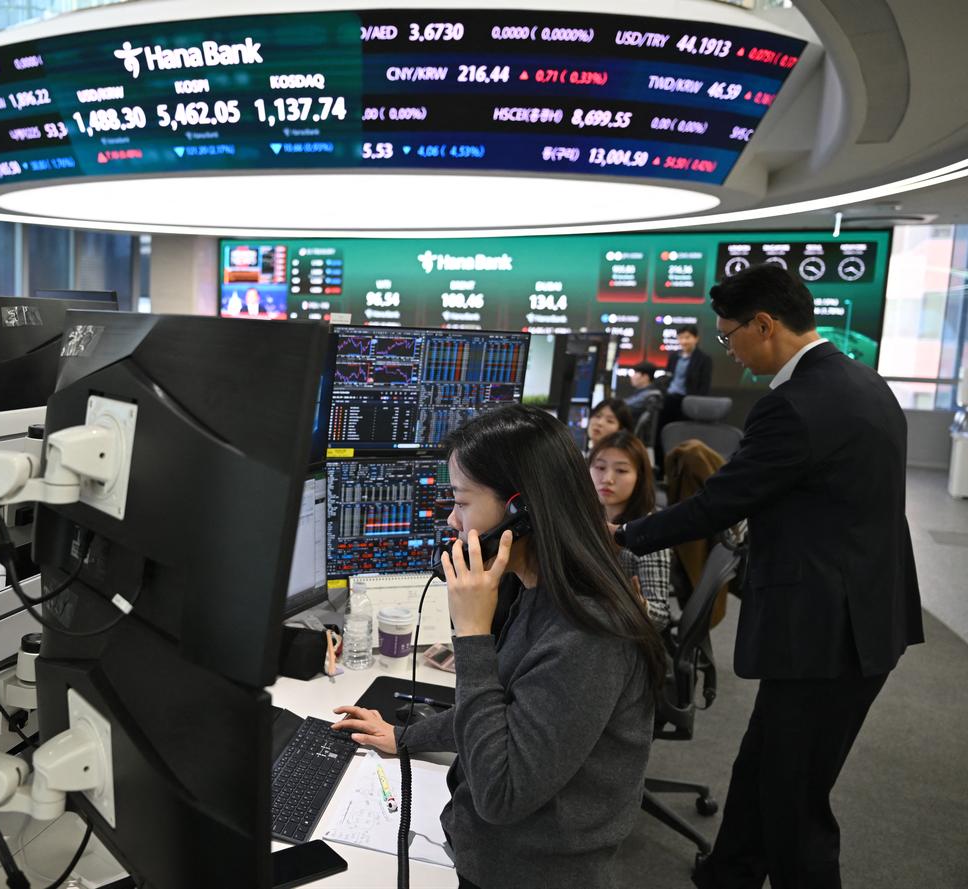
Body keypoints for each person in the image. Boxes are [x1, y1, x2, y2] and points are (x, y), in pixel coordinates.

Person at [612, 263, 923, 889]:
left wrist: (617, 536)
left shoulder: (794, 405)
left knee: (795, 802)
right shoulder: (863, 382)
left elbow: (716, 505)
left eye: (729, 335)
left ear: (764, 324)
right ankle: (729, 872)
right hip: (865, 613)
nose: (729, 348)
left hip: (827, 633)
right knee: (764, 763)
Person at [332, 404, 666, 889]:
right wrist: (404, 737)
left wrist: (473, 635)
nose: (452, 521)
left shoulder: (587, 635)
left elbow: (501, 794)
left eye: (461, 502)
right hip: (495, 857)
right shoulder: (540, 591)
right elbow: (508, 712)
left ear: (520, 512)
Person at [590, 431, 671, 631]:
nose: (607, 479)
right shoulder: (586, 516)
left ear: (639, 477)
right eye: (600, 467)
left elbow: (661, 617)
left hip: (621, 634)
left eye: (621, 470)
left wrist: (638, 605)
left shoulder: (648, 529)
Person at [657, 324, 714, 466]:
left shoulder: (704, 359)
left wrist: (697, 405)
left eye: (687, 337)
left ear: (696, 338)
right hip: (670, 399)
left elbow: (704, 385)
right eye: (680, 337)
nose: (684, 341)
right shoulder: (674, 357)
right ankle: (661, 466)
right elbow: (668, 378)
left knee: (684, 436)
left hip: (688, 402)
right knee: (662, 433)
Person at [622, 361, 664, 426]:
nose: (632, 377)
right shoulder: (645, 392)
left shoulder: (649, 395)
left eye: (635, 373)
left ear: (645, 377)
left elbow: (622, 407)